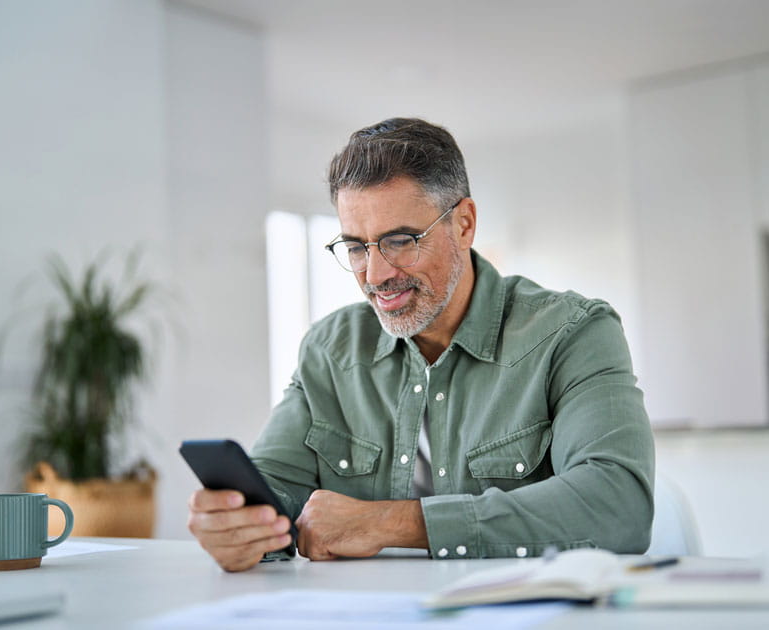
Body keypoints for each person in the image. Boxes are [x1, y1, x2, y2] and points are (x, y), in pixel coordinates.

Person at [188, 117, 655, 572]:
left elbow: (619, 503)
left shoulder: (573, 332)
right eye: (356, 247)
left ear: (464, 224)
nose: (375, 276)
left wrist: (393, 523)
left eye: (400, 240)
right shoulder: (329, 350)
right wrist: (238, 529)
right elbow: (274, 492)